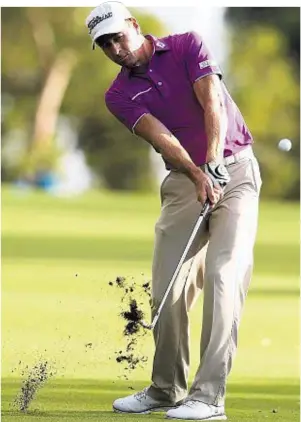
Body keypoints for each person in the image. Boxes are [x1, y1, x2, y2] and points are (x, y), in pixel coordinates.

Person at [86, 2, 262, 420]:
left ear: (134, 25)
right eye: (104, 44)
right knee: (169, 283)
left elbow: (212, 102)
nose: (114, 47)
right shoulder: (118, 94)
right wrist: (198, 174)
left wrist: (215, 160)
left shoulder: (187, 45)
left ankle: (209, 397)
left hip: (235, 174)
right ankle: (166, 389)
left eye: (117, 36)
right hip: (184, 183)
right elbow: (162, 138)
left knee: (223, 275)